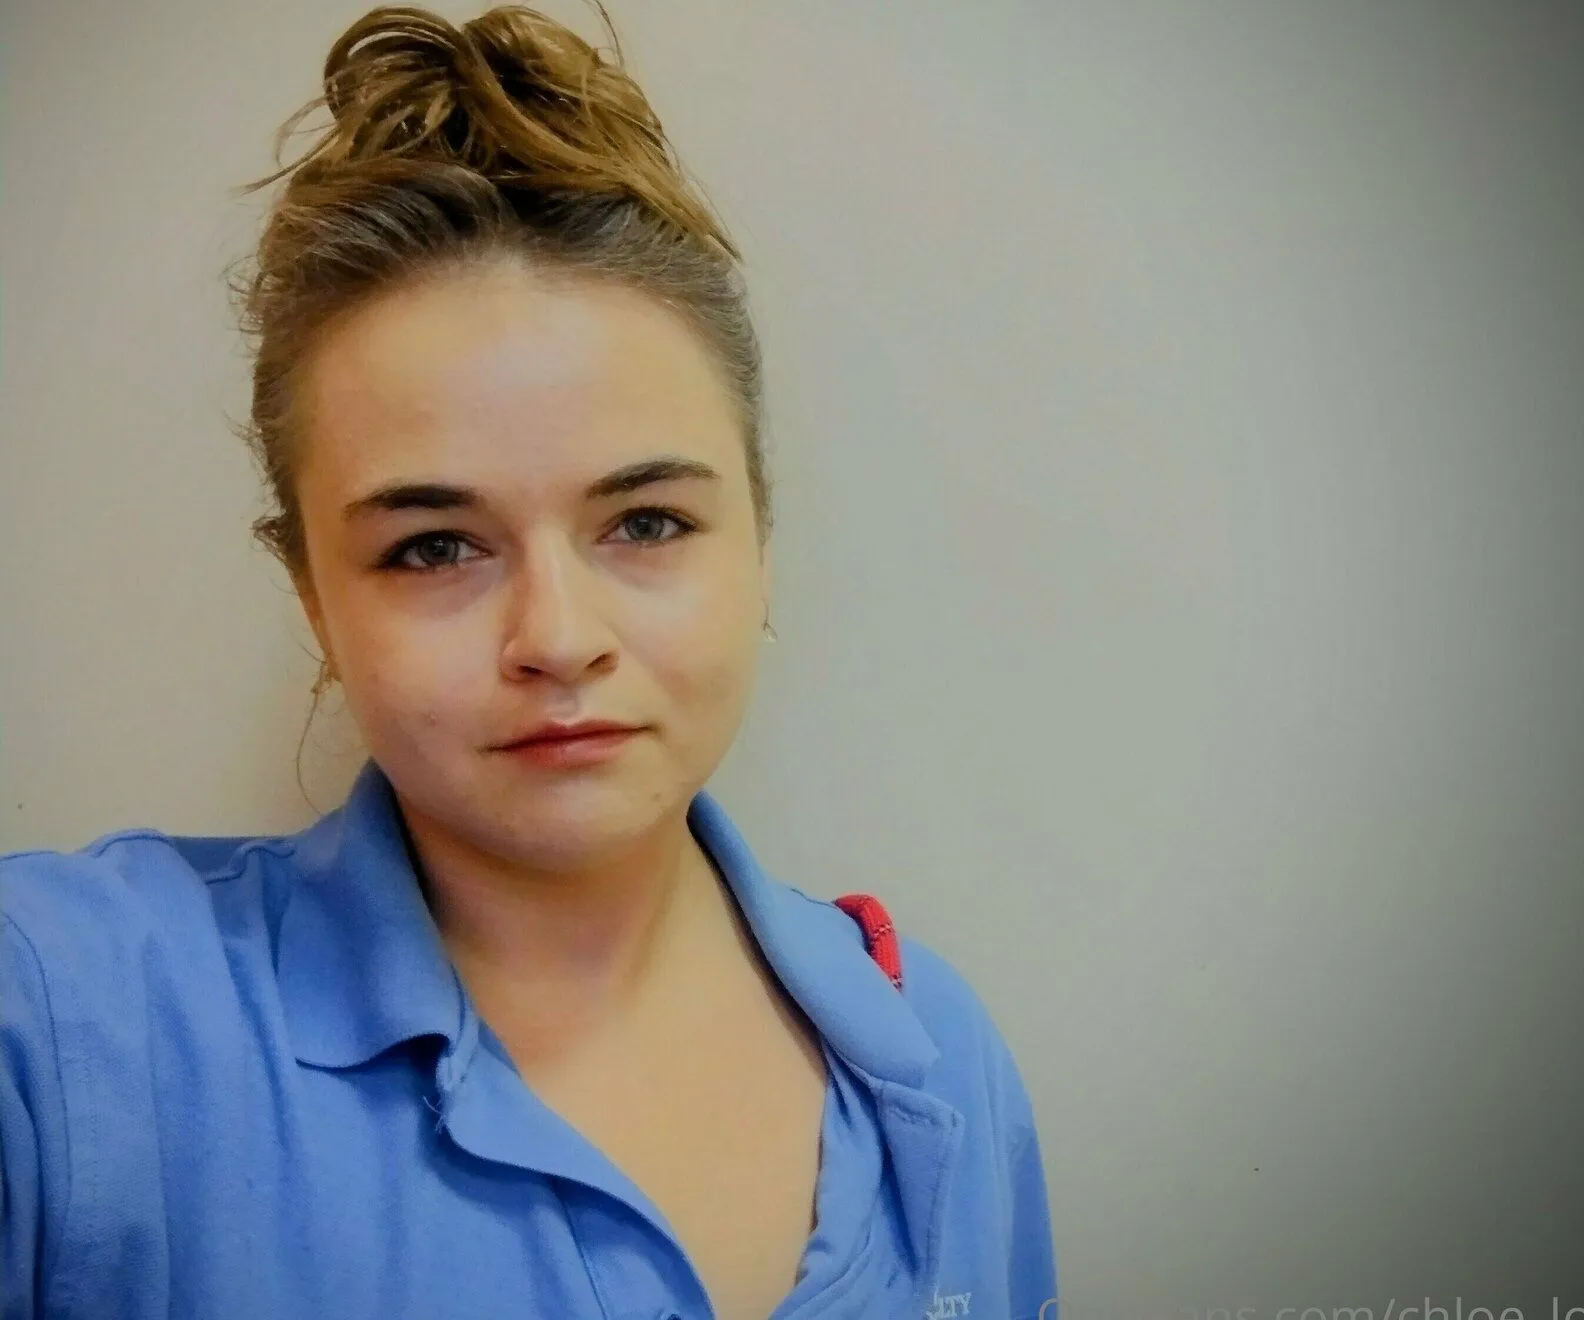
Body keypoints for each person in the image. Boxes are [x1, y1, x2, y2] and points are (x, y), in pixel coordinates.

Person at [0, 5, 1058, 1318]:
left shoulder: (939, 1053)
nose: (557, 638)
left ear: (761, 545)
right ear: (315, 600)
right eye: (435, 547)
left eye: (647, 524)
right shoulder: (64, 1021)